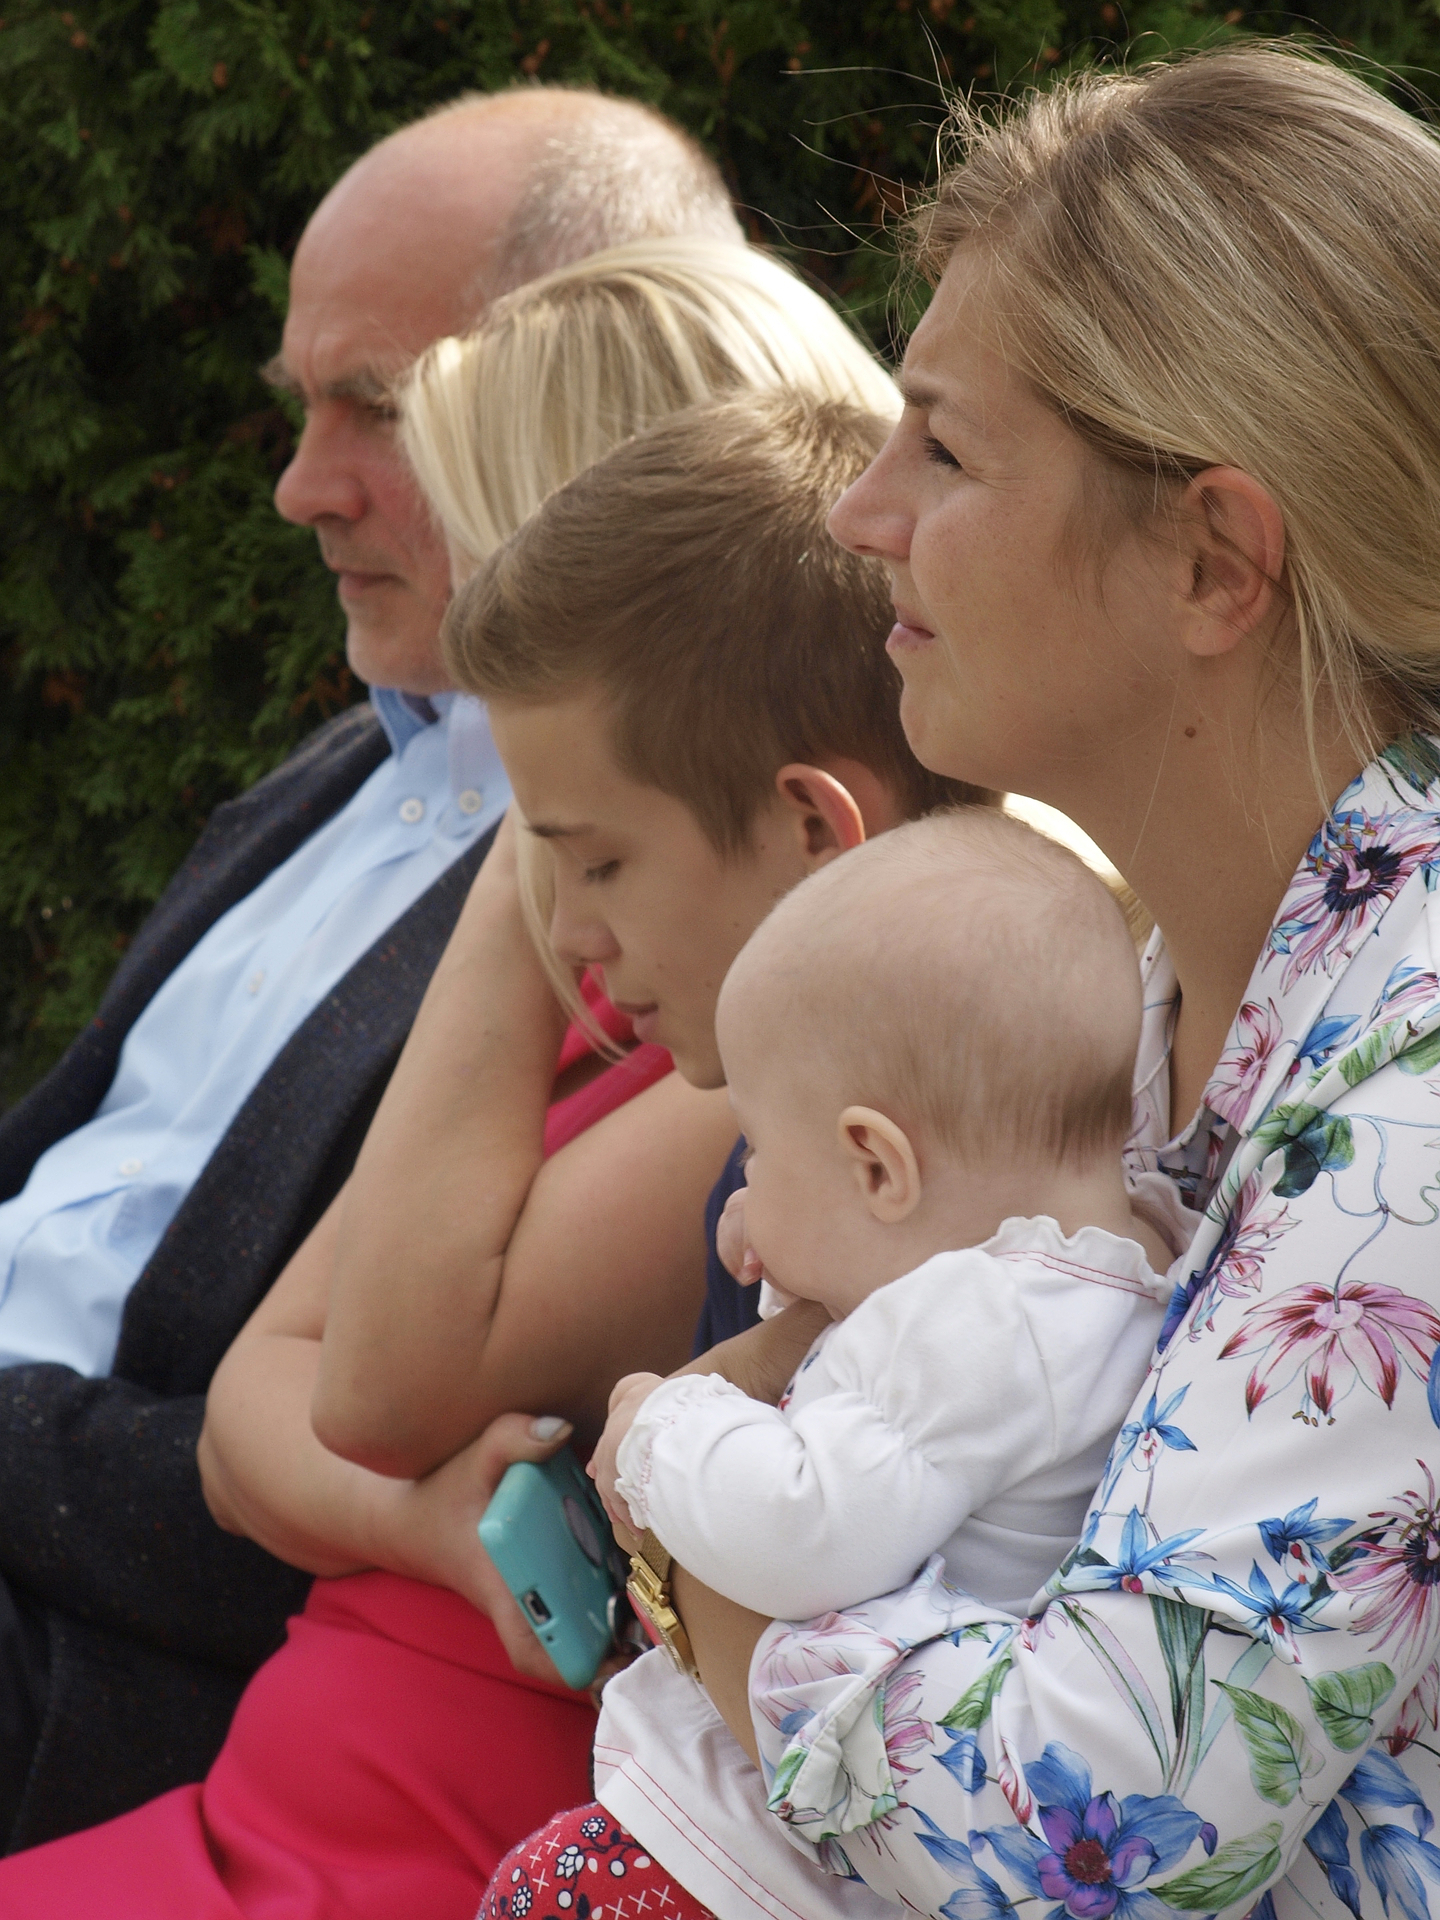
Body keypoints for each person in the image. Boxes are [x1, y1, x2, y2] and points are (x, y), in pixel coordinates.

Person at [523, 42, 1440, 1920]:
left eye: (943, 450)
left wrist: (709, 1551)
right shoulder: (1177, 983)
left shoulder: (1414, 1069)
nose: (863, 512)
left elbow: (1067, 1843)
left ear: (1214, 560)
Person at [0, 274, 951, 1916]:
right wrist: (426, 1522)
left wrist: (531, 842)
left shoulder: (762, 1073)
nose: (311, 489)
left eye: (590, 851)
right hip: (280, 1790)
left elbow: (362, 1387)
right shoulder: (641, 979)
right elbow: (251, 1408)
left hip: (403, 1834)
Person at [0, 86, 749, 1848]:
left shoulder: (651, 910)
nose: (297, 486)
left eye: (376, 407)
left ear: (594, 416)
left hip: (108, 1646)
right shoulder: (344, 769)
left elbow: (331, 1449)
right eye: (299, 404)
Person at [593, 808, 1171, 1629]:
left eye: (758, 1147)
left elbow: (803, 1531)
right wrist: (800, 1223)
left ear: (876, 1165)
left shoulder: (986, 1326)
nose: (745, 1176)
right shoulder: (1101, 1270)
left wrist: (659, 1432)